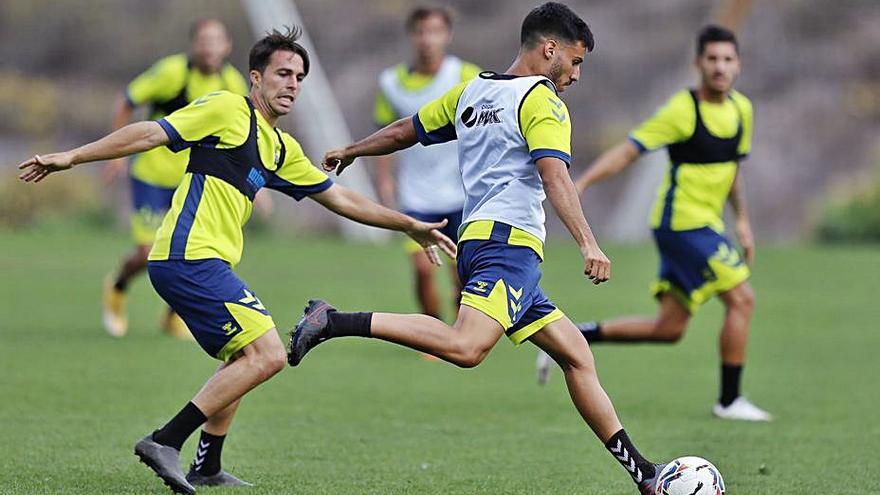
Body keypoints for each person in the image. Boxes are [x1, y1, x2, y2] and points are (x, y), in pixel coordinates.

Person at [19, 27, 455, 495]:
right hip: (188, 256)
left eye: (300, 77)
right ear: (255, 78)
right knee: (267, 354)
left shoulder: (281, 149)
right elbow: (151, 132)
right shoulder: (228, 109)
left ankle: (207, 466)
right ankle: (165, 441)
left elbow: (343, 200)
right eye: (283, 73)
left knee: (243, 356)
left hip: (209, 262)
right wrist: (73, 156)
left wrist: (406, 224)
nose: (292, 83)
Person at [290, 4, 668, 493]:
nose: (576, 75)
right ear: (549, 48)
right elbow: (555, 175)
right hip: (507, 247)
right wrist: (589, 243)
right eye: (575, 62)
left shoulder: (474, 90)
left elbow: (409, 128)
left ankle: (644, 474)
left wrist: (354, 149)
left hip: (484, 242)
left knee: (576, 356)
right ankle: (333, 321)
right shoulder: (542, 100)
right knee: (466, 347)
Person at [538, 25, 771, 422]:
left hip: (708, 226)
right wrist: (585, 181)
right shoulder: (683, 110)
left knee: (669, 328)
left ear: (738, 65)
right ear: (698, 63)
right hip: (680, 225)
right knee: (742, 298)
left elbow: (733, 170)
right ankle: (729, 401)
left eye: (727, 59)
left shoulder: (741, 110)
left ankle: (573, 335)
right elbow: (630, 151)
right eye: (712, 59)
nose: (720, 67)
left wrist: (743, 222)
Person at [101, 18, 251, 339]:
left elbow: (246, 135)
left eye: (216, 40)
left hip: (194, 181)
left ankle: (172, 317)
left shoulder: (233, 84)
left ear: (227, 46)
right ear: (193, 44)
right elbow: (128, 100)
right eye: (203, 40)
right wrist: (116, 153)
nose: (209, 46)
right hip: (152, 175)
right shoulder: (171, 72)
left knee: (192, 254)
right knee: (146, 253)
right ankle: (117, 285)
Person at [374, 6, 481, 322]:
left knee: (462, 272)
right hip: (416, 193)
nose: (427, 40)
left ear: (447, 35)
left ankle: (460, 333)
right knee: (422, 268)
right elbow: (387, 133)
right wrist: (385, 181)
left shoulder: (466, 76)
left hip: (461, 191)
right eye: (421, 32)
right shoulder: (390, 82)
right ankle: (432, 331)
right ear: (411, 35)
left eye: (434, 32)